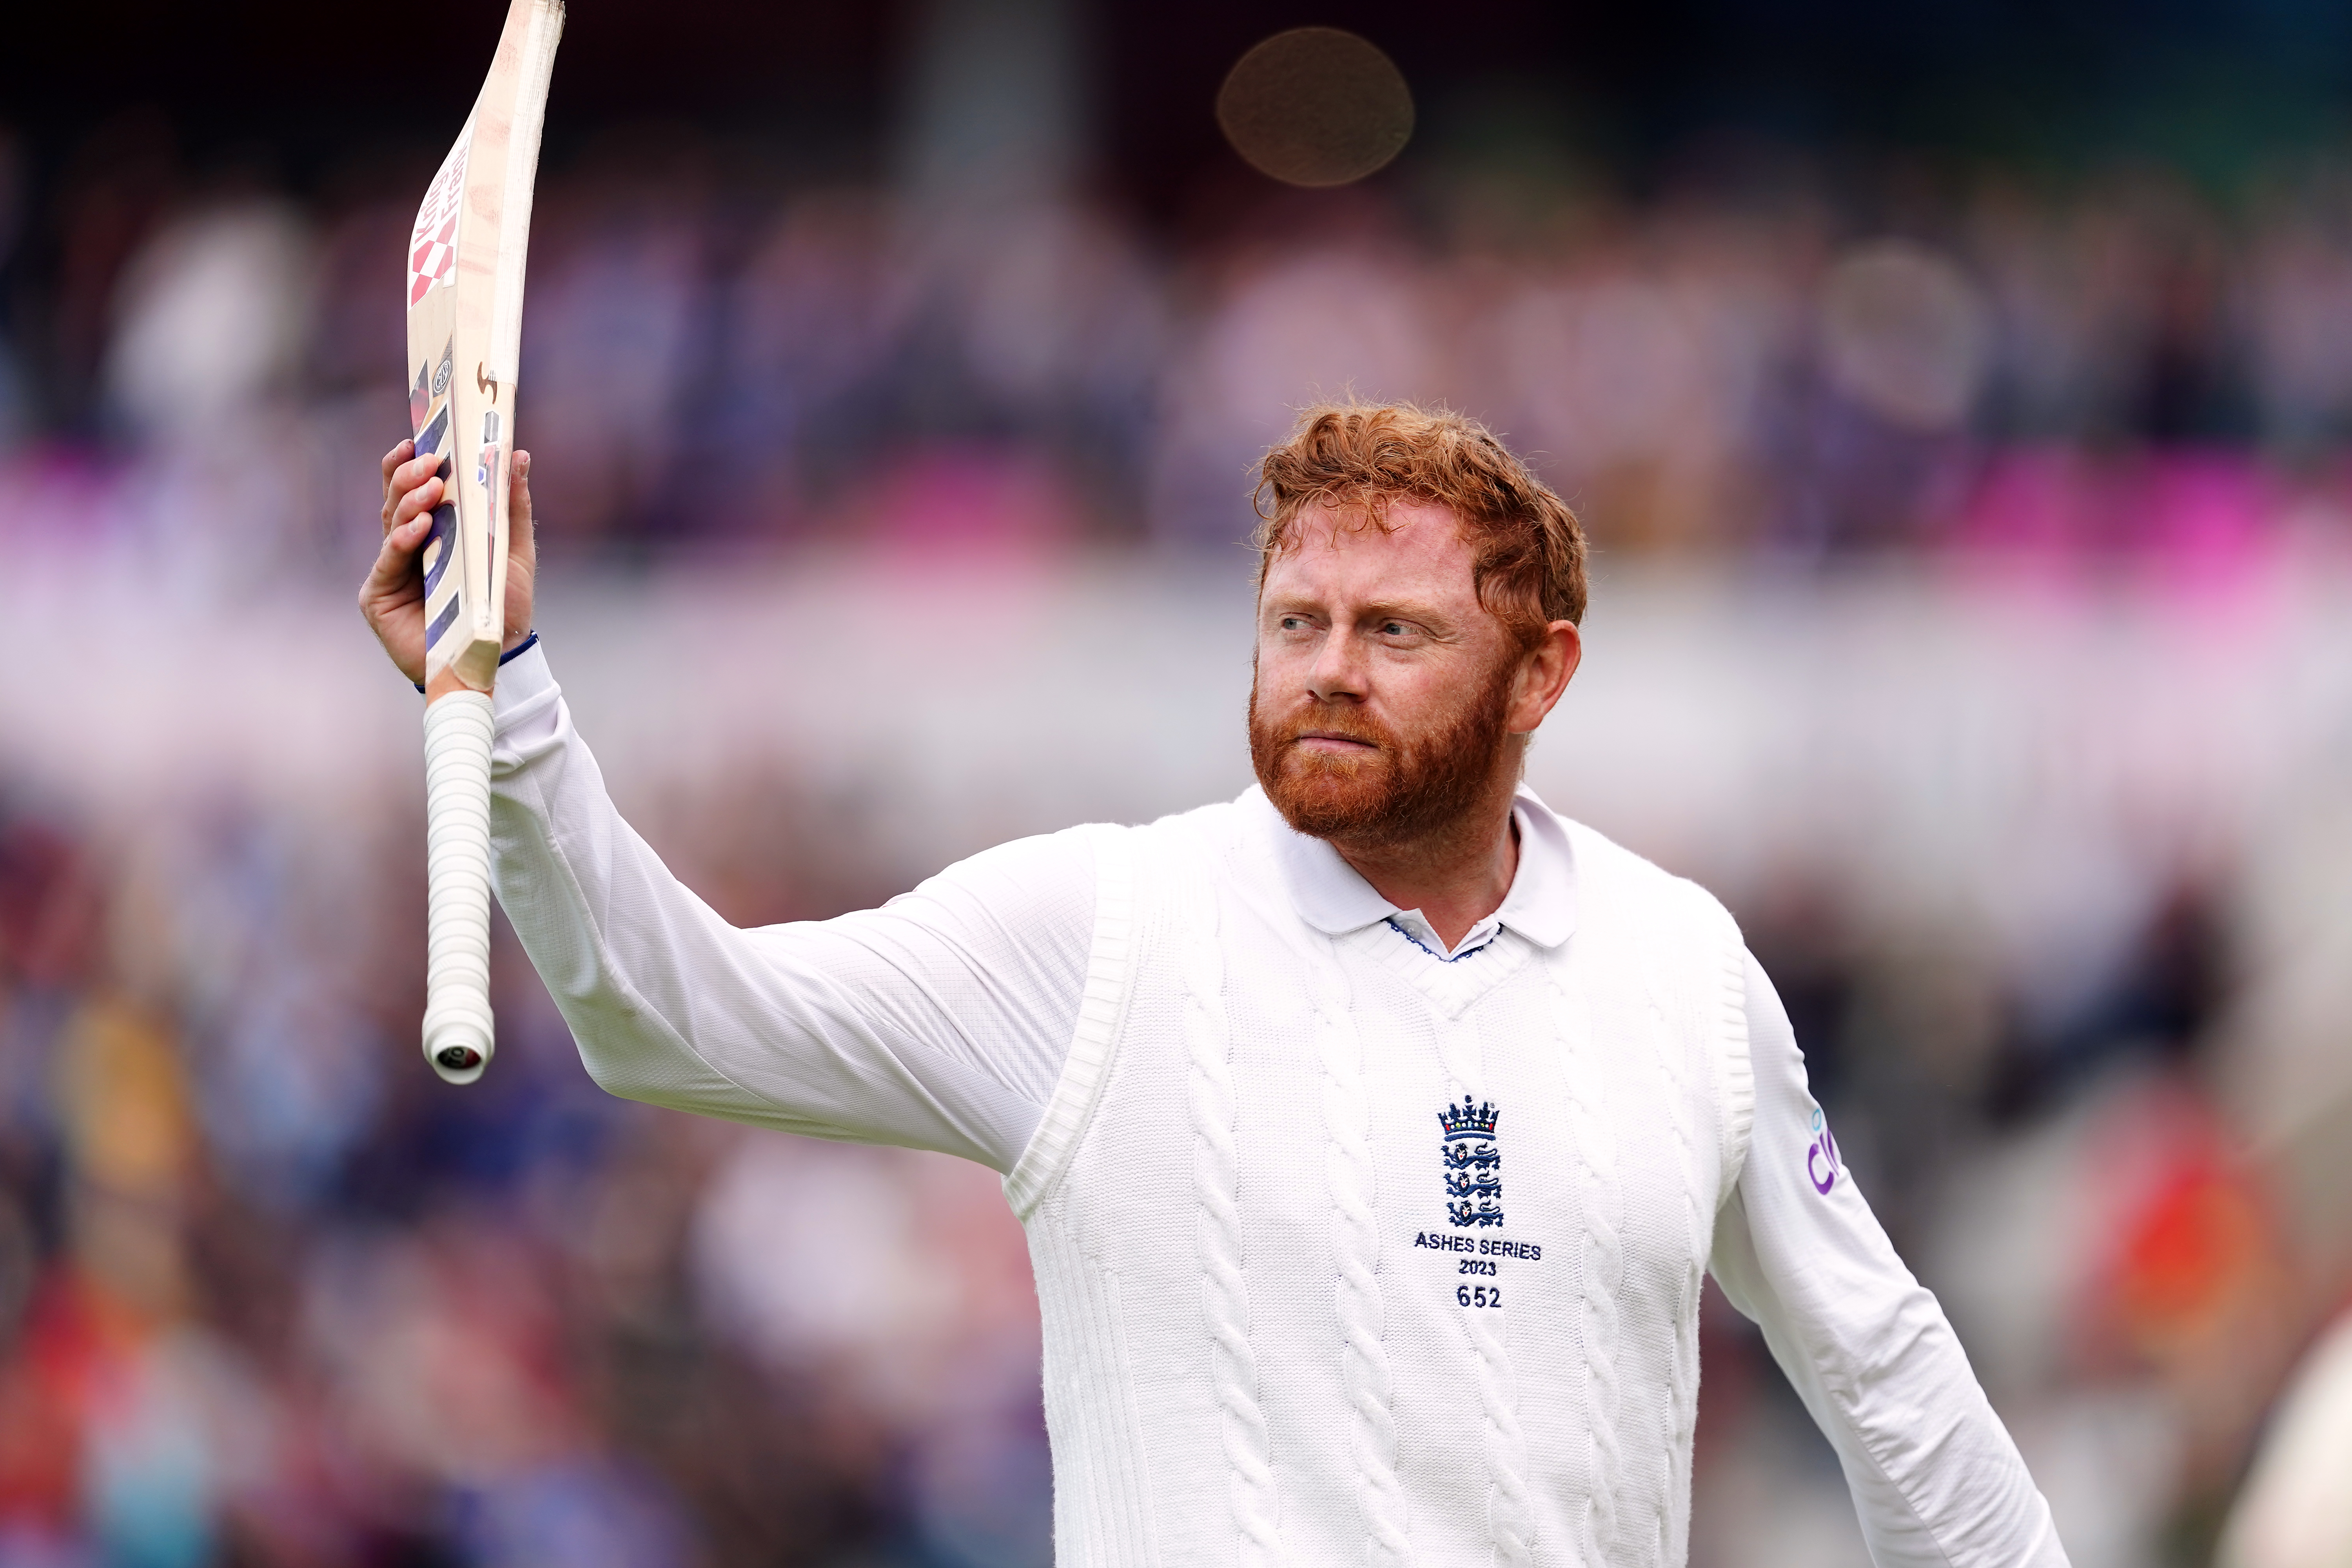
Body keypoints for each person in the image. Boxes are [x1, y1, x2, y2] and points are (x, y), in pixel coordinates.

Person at [362, 402, 2067, 1568]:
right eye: (1296, 621)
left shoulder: (1683, 966)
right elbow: (674, 1018)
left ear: (1541, 673)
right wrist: (507, 696)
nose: (1329, 670)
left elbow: (1889, 1376)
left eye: (1395, 632)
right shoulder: (1101, 926)